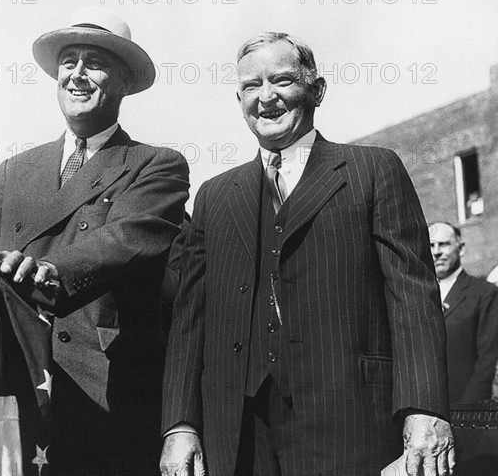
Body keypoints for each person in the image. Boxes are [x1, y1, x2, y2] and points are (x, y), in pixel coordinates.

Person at [161, 32, 454, 476]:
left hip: (351, 421)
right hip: (238, 432)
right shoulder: (215, 196)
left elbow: (413, 297)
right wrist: (179, 425)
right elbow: (190, 320)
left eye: (281, 80)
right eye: (251, 86)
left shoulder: (373, 170)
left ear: (316, 89)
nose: (266, 98)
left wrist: (424, 409)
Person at [0, 9, 189, 475]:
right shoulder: (13, 173)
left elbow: (123, 241)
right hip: (23, 389)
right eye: (68, 62)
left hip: (111, 398)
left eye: (95, 63)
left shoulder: (155, 166)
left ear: (125, 82)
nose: (77, 74)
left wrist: (50, 272)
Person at [428, 221, 498, 403]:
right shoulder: (417, 295)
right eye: (431, 245)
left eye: (444, 244)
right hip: (425, 411)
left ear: (461, 248)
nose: (436, 252)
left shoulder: (483, 293)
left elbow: (487, 360)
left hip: (464, 408)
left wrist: (467, 410)